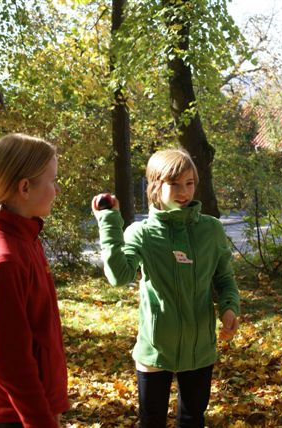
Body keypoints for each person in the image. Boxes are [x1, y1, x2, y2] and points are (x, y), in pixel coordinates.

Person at [92, 149, 240, 428]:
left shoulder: (210, 230)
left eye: (189, 183)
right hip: (154, 348)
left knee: (193, 419)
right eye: (174, 184)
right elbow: (119, 276)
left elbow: (224, 278)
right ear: (155, 186)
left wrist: (230, 308)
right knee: (152, 420)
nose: (184, 192)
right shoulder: (142, 233)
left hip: (199, 348)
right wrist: (109, 222)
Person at [0, 133, 69, 427]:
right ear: (24, 188)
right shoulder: (3, 262)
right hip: (17, 414)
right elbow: (12, 362)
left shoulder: (26, 238)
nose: (57, 189)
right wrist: (41, 420)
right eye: (52, 180)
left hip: (34, 406)